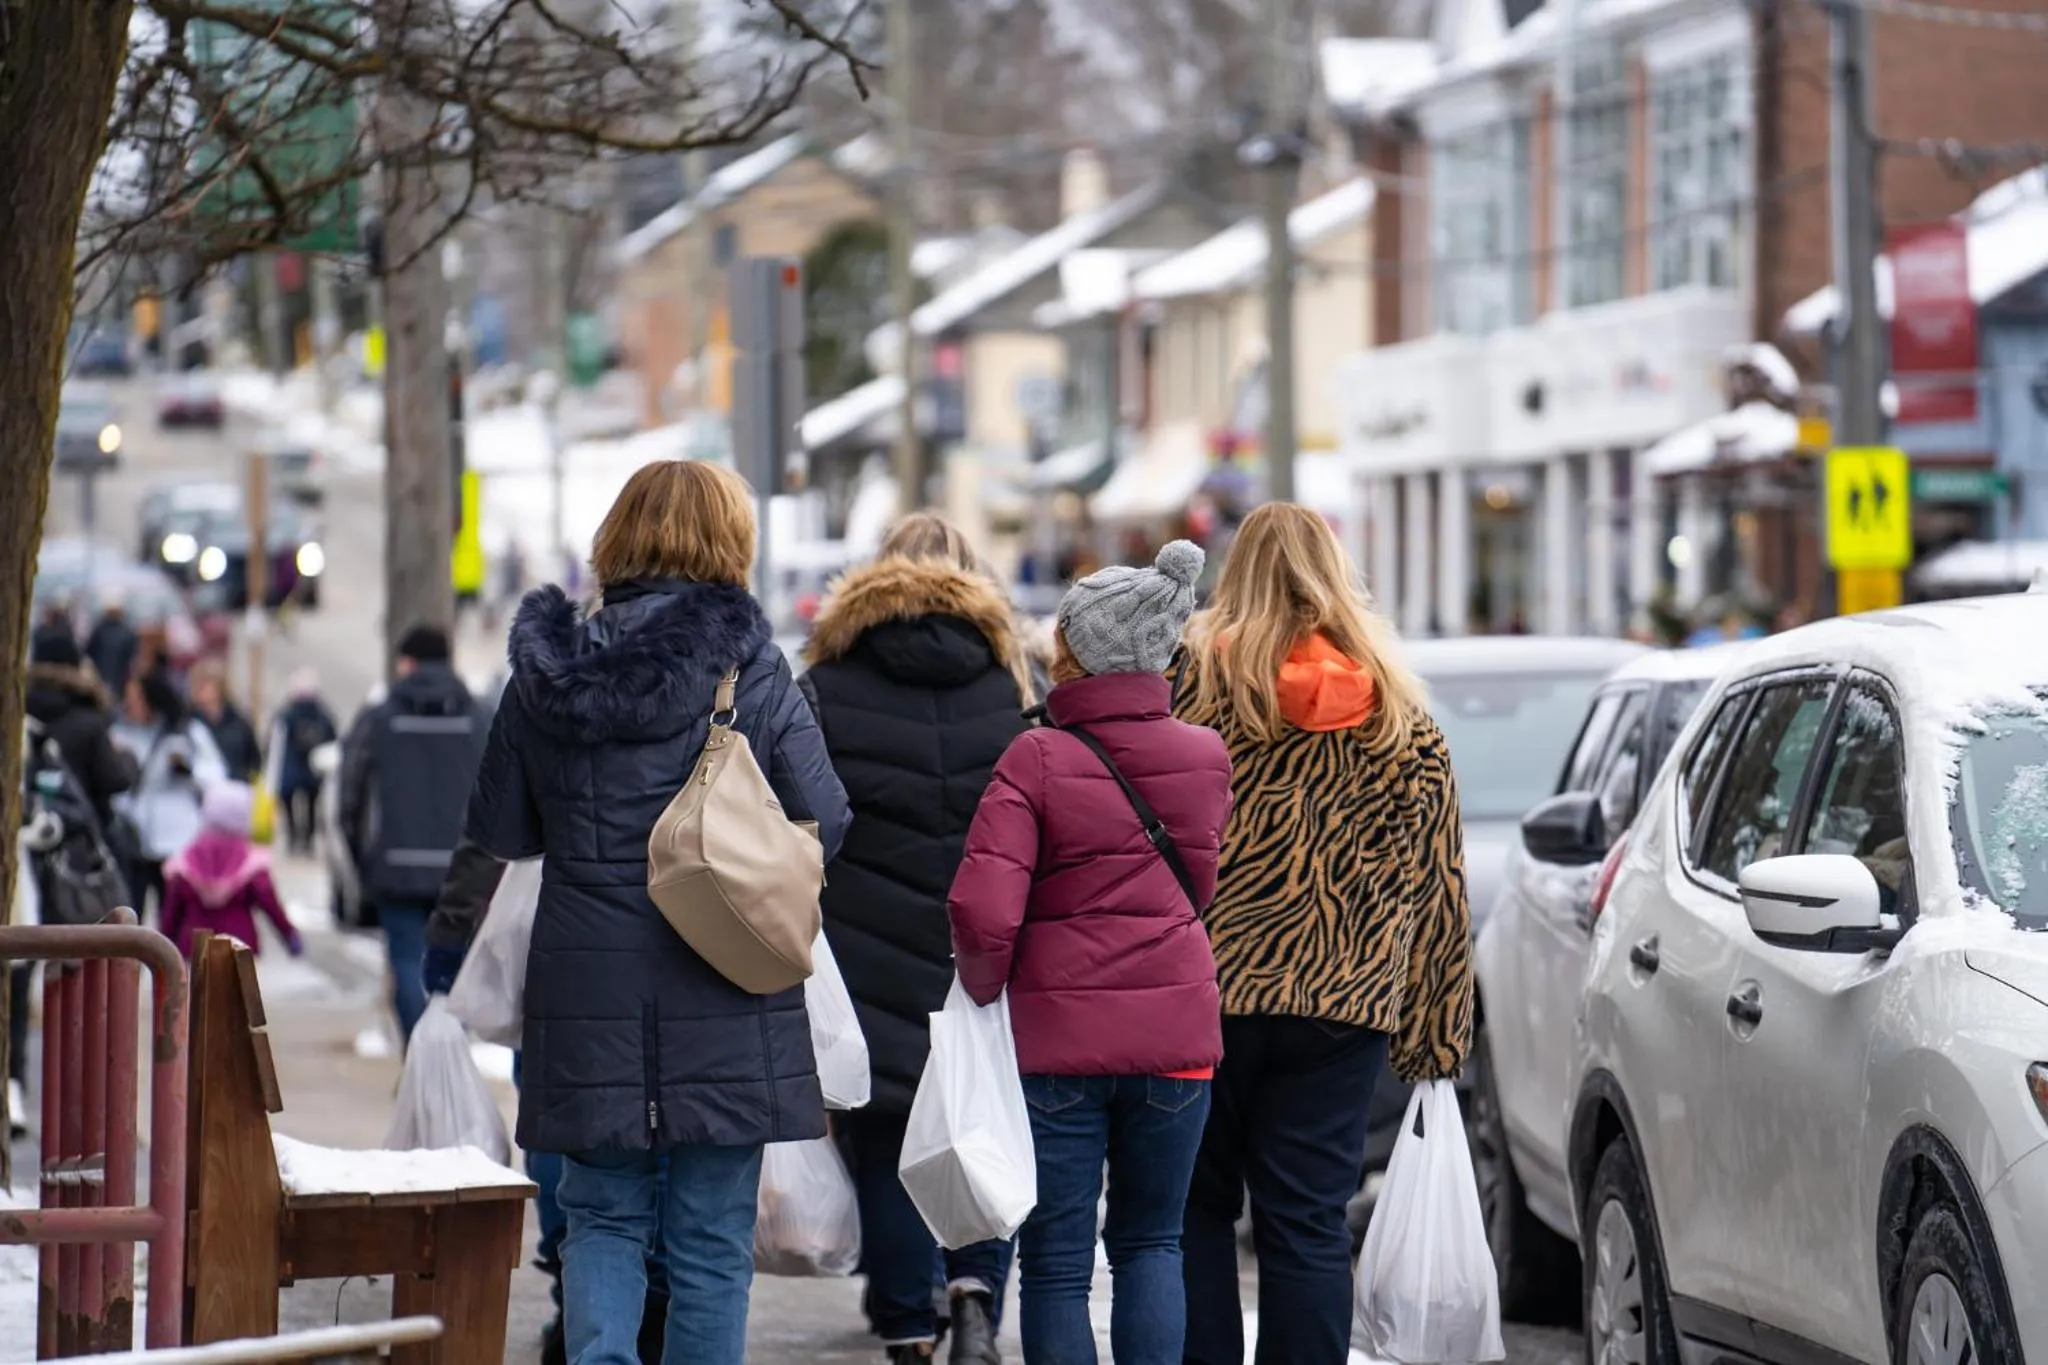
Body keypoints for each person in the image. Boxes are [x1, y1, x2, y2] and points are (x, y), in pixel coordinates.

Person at [457, 459, 849, 1365]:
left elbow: (501, 828)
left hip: (585, 979)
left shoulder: (544, 672)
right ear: (730, 542)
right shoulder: (750, 669)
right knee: (711, 1236)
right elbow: (826, 817)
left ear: (616, 539)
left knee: (600, 1217)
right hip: (727, 973)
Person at [1170, 503, 1473, 1365]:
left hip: (1205, 995)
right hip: (1344, 1006)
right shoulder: (1402, 723)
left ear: (1238, 575)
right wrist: (1435, 1039)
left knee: (1196, 1209)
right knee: (1306, 1219)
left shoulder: (1190, 693)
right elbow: (1439, 888)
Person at [948, 542, 1233, 1365]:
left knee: (1058, 1261)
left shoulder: (1033, 757)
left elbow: (982, 908)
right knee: (1153, 1242)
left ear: (1080, 649)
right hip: (1176, 1041)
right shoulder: (1205, 756)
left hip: (1055, 1046)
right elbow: (1198, 889)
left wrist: (985, 991)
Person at [798, 512, 1035, 1365]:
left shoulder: (826, 681)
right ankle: (975, 1297)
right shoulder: (1014, 679)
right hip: (984, 949)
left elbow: (806, 818)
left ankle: (907, 1328)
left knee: (891, 1134)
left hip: (864, 950)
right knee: (981, 1122)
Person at [423, 838, 670, 1365]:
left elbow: (493, 828)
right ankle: (652, 1300)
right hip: (680, 941)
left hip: (562, 948)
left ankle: (579, 1304)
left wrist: (449, 937)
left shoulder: (548, 750)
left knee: (570, 1140)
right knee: (669, 1139)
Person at [337, 624, 486, 1046]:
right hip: (462, 869)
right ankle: (448, 1053)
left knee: (405, 959)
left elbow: (350, 792)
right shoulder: (477, 716)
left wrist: (363, 857)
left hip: (397, 867)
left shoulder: (380, 718)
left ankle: (418, 1052)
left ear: (408, 662)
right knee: (455, 967)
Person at [111, 664, 228, 922]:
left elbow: (217, 777)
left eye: (136, 699)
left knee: (175, 919)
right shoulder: (121, 733)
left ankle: (170, 963)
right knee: (130, 915)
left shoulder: (187, 733)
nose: (129, 706)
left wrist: (188, 771)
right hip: (136, 837)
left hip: (176, 840)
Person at [160, 780, 304, 959]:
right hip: (240, 947)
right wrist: (289, 935)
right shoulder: (251, 862)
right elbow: (270, 903)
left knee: (195, 987)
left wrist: (163, 944)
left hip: (193, 948)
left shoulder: (186, 860)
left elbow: (171, 913)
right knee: (241, 987)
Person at [26, 623, 137, 829]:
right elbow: (114, 779)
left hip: (30, 826)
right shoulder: (88, 718)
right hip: (81, 832)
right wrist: (127, 759)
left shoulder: (21, 716)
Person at [270, 668, 339, 856]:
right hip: (314, 767)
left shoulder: (285, 715)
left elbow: (274, 741)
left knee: (291, 802)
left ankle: (294, 835)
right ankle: (306, 838)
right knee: (310, 802)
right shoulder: (323, 714)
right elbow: (333, 739)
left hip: (293, 766)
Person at [189, 658, 265, 780]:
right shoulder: (189, 722)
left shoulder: (239, 722)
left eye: (205, 685)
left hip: (234, 788)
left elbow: (254, 759)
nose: (200, 690)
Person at [85, 593, 140, 694]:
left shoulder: (99, 630)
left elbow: (88, 653)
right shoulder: (127, 632)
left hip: (101, 680)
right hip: (119, 682)